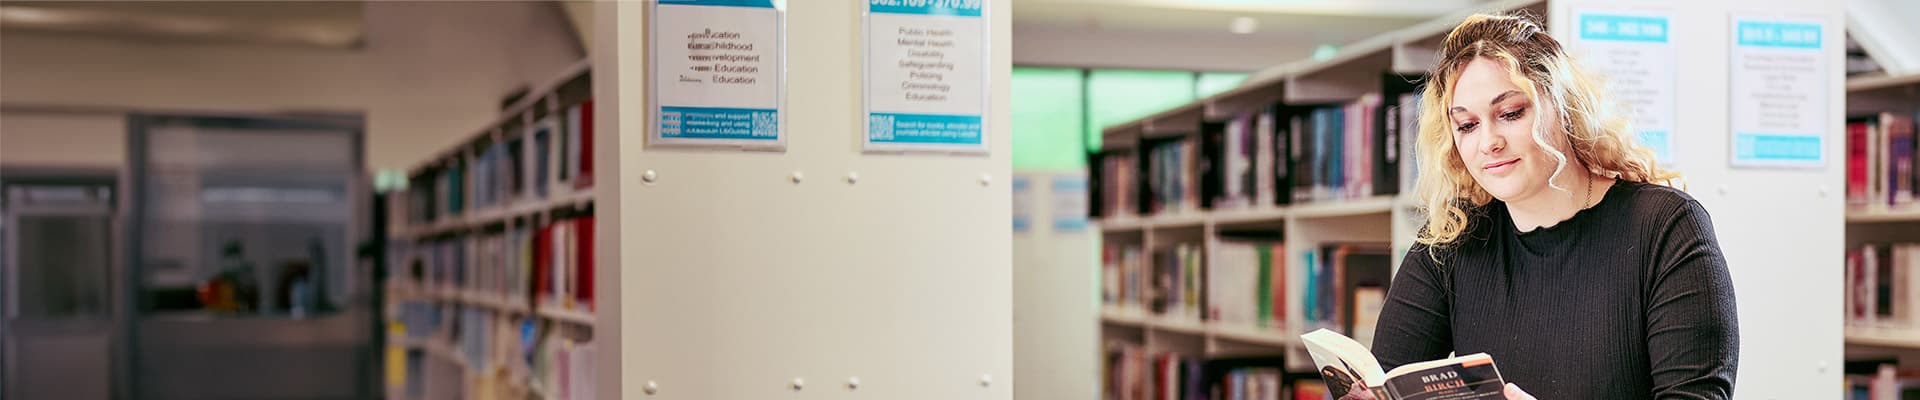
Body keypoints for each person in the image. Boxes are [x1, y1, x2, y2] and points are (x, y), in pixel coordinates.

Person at [1370, 12, 1739, 400]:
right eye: (1467, 125)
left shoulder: (1664, 227)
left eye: (1510, 113)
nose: (1488, 142)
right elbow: (1388, 376)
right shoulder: (1451, 241)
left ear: (1563, 108)